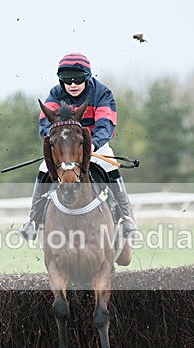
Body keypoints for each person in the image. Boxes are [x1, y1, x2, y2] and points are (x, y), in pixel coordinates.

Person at [19, 53, 138, 240]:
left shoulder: (102, 93)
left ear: (88, 77)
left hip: (93, 145)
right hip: (64, 147)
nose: (73, 84)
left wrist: (94, 144)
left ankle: (125, 217)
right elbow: (45, 123)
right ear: (61, 80)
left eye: (78, 79)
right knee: (43, 168)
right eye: (67, 80)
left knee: (110, 164)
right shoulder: (55, 94)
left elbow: (106, 124)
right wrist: (54, 142)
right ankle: (33, 220)